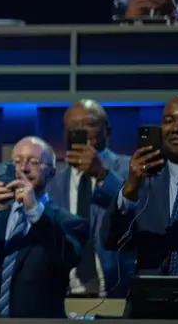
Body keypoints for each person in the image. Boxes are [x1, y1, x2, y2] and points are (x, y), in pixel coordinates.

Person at [0, 136, 88, 318]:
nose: (23, 168)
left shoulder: (69, 223)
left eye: (34, 162)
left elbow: (66, 258)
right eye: (17, 161)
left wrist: (34, 210)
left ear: (52, 173)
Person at [47, 100, 132, 297]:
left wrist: (102, 174)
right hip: (65, 295)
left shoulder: (129, 169)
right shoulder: (53, 185)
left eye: (90, 124)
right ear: (65, 135)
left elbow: (136, 214)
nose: (82, 131)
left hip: (118, 293)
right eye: (74, 127)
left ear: (107, 131)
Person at [101, 95, 178, 284]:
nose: (177, 128)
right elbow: (111, 241)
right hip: (154, 298)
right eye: (169, 121)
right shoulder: (143, 184)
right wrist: (129, 189)